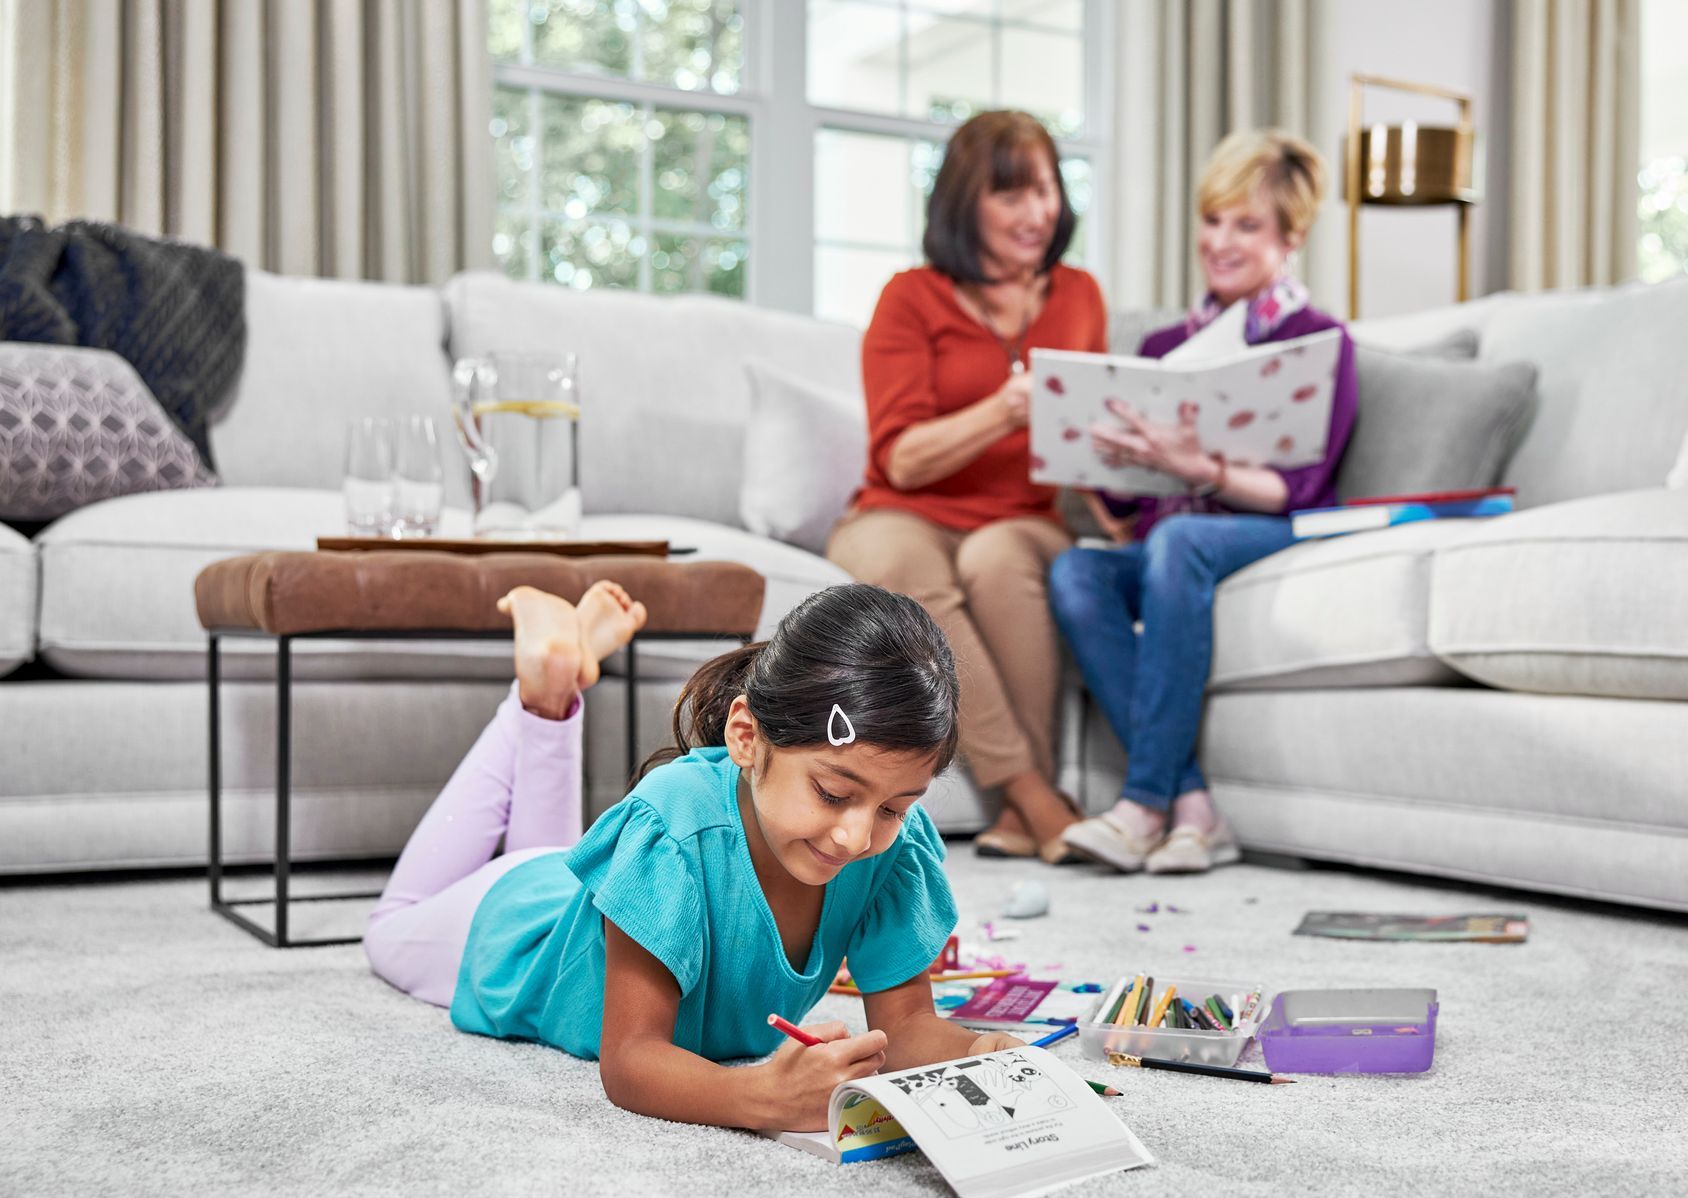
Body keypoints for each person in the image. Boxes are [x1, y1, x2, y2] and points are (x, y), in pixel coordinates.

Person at [363, 581, 1023, 1132]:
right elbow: (630, 1060)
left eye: (892, 807)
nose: (857, 837)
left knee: (549, 850)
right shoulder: (673, 821)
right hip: (507, 928)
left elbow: (906, 1025)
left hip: (589, 895)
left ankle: (556, 679)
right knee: (390, 926)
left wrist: (984, 1049)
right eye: (831, 793)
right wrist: (763, 1096)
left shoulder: (889, 851)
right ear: (745, 736)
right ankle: (538, 696)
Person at [1048, 129, 1358, 876]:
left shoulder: (1320, 343)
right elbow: (1127, 499)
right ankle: (1195, 808)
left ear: (1291, 238)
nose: (1220, 241)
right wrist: (1111, 452)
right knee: (1076, 571)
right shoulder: (1160, 346)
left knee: (1176, 545)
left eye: (1246, 226)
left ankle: (1142, 804)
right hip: (1166, 538)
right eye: (1213, 220)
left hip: (1265, 529)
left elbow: (1298, 489)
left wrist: (1200, 466)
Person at [827, 110, 1108, 863]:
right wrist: (1003, 408)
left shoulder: (1080, 296)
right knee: (905, 568)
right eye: (1010, 195)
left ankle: (1025, 803)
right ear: (964, 203)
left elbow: (1083, 439)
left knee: (995, 559)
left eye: (1046, 190)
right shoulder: (909, 297)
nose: (1037, 212)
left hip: (1022, 516)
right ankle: (1034, 795)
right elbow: (903, 459)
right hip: (903, 510)